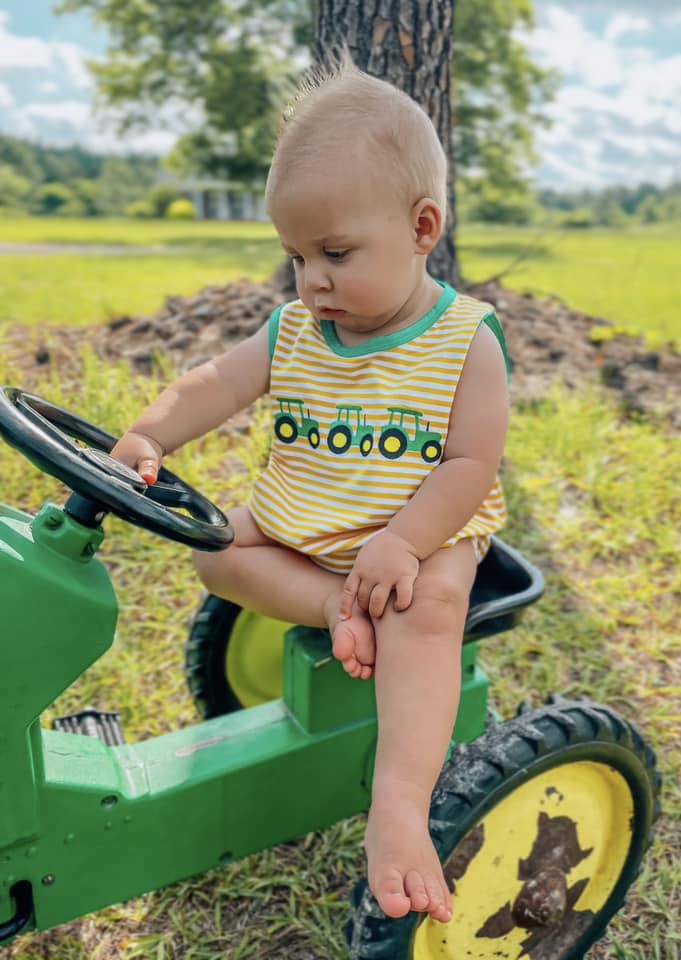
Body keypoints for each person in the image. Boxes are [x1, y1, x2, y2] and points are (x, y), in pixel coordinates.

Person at [111, 57, 510, 925]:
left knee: (428, 612)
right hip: (314, 522)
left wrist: (403, 542)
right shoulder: (295, 329)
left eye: (334, 253)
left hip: (422, 528)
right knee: (217, 552)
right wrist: (148, 434)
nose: (312, 280)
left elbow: (471, 466)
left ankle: (400, 803)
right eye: (295, 257)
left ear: (422, 228)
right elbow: (213, 382)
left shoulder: (463, 340)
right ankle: (335, 605)